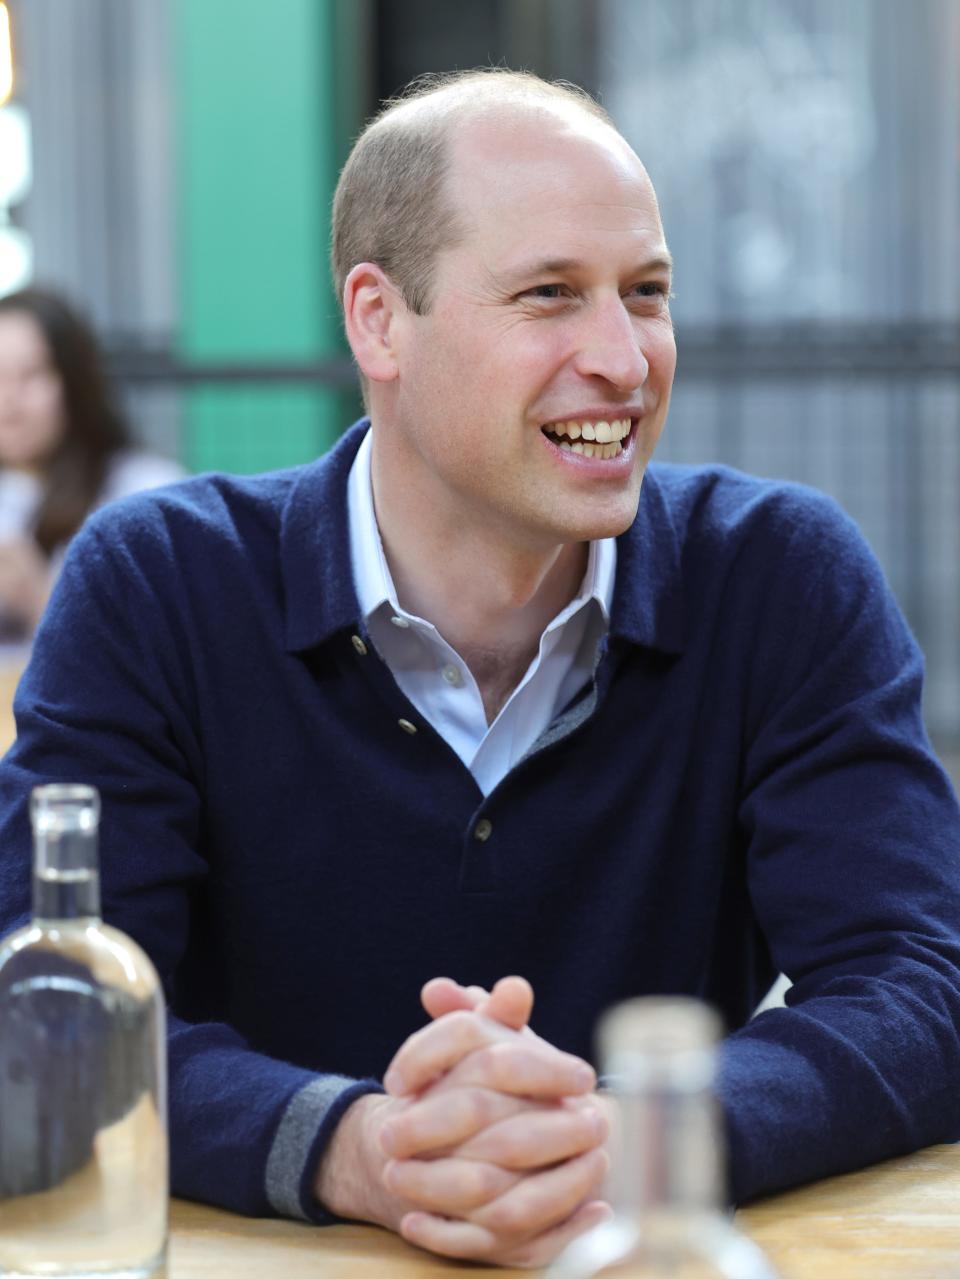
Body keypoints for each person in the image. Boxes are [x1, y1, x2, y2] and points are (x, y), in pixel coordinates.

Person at [0, 68, 958, 1269]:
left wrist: (617, 1136)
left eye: (646, 293)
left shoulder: (778, 575)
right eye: (549, 294)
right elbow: (37, 1025)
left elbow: (925, 988)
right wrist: (353, 1146)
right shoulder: (156, 584)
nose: (623, 357)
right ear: (378, 320)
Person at [0, 287, 185, 637]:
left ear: (76, 380)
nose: (9, 402)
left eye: (31, 375)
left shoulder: (145, 493)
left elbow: (169, 650)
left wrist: (36, 595)